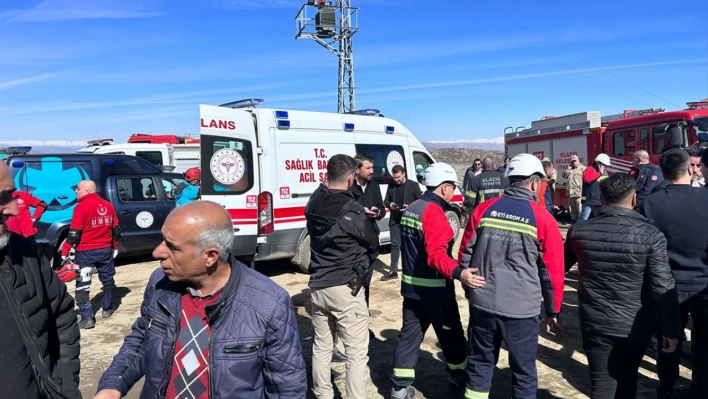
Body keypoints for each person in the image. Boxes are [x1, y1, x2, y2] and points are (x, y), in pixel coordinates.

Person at [94, 201, 307, 399]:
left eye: (172, 247)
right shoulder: (159, 282)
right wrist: (112, 385)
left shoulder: (269, 302)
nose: (157, 252)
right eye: (162, 240)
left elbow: (286, 388)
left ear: (210, 256)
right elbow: (142, 339)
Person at [564, 172, 680, 398]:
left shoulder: (579, 230)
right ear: (634, 198)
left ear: (603, 200)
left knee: (600, 383)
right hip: (634, 325)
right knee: (627, 380)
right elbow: (662, 285)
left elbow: (558, 268)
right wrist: (671, 329)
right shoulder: (651, 234)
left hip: (594, 321)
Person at [458, 153, 565, 399]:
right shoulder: (543, 220)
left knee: (479, 364)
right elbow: (552, 274)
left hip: (483, 303)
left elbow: (465, 255)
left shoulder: (484, 210)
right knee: (524, 373)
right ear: (535, 183)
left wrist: (471, 290)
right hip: (521, 311)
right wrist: (553, 312)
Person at [389, 163, 483, 399]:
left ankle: (399, 389)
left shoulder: (413, 208)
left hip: (411, 290)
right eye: (452, 187)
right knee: (451, 337)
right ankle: (458, 377)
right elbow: (436, 256)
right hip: (436, 293)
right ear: (444, 188)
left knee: (409, 337)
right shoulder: (434, 214)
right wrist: (459, 272)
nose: (453, 192)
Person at [0, 161, 81, 399]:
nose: (14, 209)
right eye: (2, 197)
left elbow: (63, 314)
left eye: (11, 195)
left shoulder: (25, 253)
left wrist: (64, 381)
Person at [306, 154, 379, 399]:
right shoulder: (352, 210)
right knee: (356, 355)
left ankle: (322, 394)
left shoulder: (314, 201)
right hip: (346, 289)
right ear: (350, 178)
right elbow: (372, 243)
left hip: (318, 286)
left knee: (321, 347)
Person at [638, 149, 708, 399]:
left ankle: (667, 388)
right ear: (690, 169)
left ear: (663, 172)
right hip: (703, 284)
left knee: (668, 341)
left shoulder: (650, 203)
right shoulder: (706, 198)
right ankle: (701, 387)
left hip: (666, 286)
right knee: (704, 342)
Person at [61, 180, 120, 329]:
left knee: (83, 283)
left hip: (85, 252)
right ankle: (107, 308)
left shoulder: (81, 207)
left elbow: (74, 234)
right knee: (107, 279)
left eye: (78, 188)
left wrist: (65, 250)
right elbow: (116, 230)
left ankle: (87, 318)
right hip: (105, 250)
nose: (76, 190)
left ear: (87, 191)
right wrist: (115, 247)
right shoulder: (108, 205)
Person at [350, 154, 386, 308]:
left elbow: (382, 209)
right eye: (368, 168)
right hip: (353, 243)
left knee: (366, 282)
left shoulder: (375, 186)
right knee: (352, 283)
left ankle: (364, 313)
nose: (372, 171)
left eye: (372, 167)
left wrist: (378, 212)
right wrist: (359, 211)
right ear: (357, 170)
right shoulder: (348, 187)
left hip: (370, 243)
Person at [382, 164, 422, 281]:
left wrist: (410, 207)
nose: (396, 179)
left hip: (408, 221)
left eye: (398, 177)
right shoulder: (391, 185)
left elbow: (420, 201)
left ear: (403, 174)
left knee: (409, 246)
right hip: (395, 220)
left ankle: (410, 269)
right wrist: (390, 205)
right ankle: (393, 270)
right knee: (395, 245)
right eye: (394, 177)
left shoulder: (413, 185)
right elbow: (386, 200)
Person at [579, 153, 611, 221]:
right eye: (604, 165)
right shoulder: (589, 169)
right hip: (588, 199)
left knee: (602, 217)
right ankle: (578, 229)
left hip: (599, 200)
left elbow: (607, 183)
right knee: (584, 218)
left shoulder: (604, 172)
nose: (605, 167)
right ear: (598, 163)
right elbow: (587, 179)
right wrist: (599, 173)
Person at [562, 155, 585, 221]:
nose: (574, 163)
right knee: (572, 208)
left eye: (575, 161)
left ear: (578, 160)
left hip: (579, 193)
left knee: (580, 207)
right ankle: (574, 220)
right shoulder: (570, 169)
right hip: (570, 193)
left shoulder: (583, 168)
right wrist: (567, 170)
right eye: (572, 161)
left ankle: (581, 222)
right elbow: (563, 175)